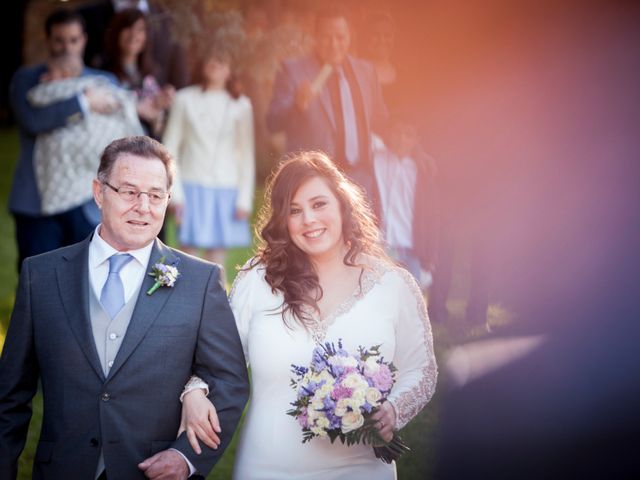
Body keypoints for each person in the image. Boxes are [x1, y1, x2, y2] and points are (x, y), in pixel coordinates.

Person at [0, 136, 249, 479]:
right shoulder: (40, 275)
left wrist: (186, 459)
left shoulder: (200, 280)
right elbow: (9, 398)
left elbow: (229, 381)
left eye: (155, 195)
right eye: (129, 192)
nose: (143, 207)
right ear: (99, 192)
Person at [180, 151, 437, 479]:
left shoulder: (393, 284)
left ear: (342, 204)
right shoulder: (257, 281)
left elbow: (422, 369)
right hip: (268, 465)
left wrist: (393, 410)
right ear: (282, 221)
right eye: (295, 211)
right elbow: (217, 359)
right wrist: (195, 391)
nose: (309, 221)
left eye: (319, 204)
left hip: (362, 468)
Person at [8, 8, 122, 271]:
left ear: (83, 40)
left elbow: (122, 127)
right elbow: (34, 120)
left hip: (86, 199)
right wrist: (85, 101)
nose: (66, 48)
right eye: (59, 40)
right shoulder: (27, 79)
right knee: (38, 279)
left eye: (73, 40)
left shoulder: (104, 81)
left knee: (87, 277)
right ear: (48, 41)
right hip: (36, 202)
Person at [266, 4, 388, 208]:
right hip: (315, 180)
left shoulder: (366, 72)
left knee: (358, 240)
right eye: (325, 37)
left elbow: (381, 121)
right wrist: (296, 105)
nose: (333, 45)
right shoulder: (293, 70)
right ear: (315, 36)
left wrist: (415, 148)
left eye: (340, 37)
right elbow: (273, 122)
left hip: (361, 181)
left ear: (350, 36)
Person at [162, 45, 255, 266]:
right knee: (188, 257)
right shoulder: (185, 99)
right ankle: (186, 301)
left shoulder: (241, 105)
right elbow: (170, 146)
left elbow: (246, 152)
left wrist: (244, 197)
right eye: (211, 59)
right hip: (192, 185)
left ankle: (214, 301)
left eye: (222, 60)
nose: (216, 65)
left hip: (226, 187)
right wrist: (176, 193)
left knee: (216, 263)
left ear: (231, 68)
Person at [27, 53, 144, 219]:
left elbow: (36, 96)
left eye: (50, 73)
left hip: (94, 146)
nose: (44, 78)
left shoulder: (82, 86)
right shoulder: (79, 90)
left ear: (64, 74)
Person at [372, 115, 438, 289]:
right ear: (388, 134)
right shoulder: (375, 160)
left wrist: (429, 257)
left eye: (408, 135)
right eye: (396, 132)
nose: (401, 139)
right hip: (381, 248)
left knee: (411, 307)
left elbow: (430, 216)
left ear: (416, 140)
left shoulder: (422, 170)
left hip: (411, 250)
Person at [103, 8, 174, 138]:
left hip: (149, 144)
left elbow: (160, 123)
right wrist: (137, 108)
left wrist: (161, 102)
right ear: (117, 32)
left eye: (140, 29)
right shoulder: (103, 73)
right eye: (128, 28)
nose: (133, 34)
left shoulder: (154, 72)